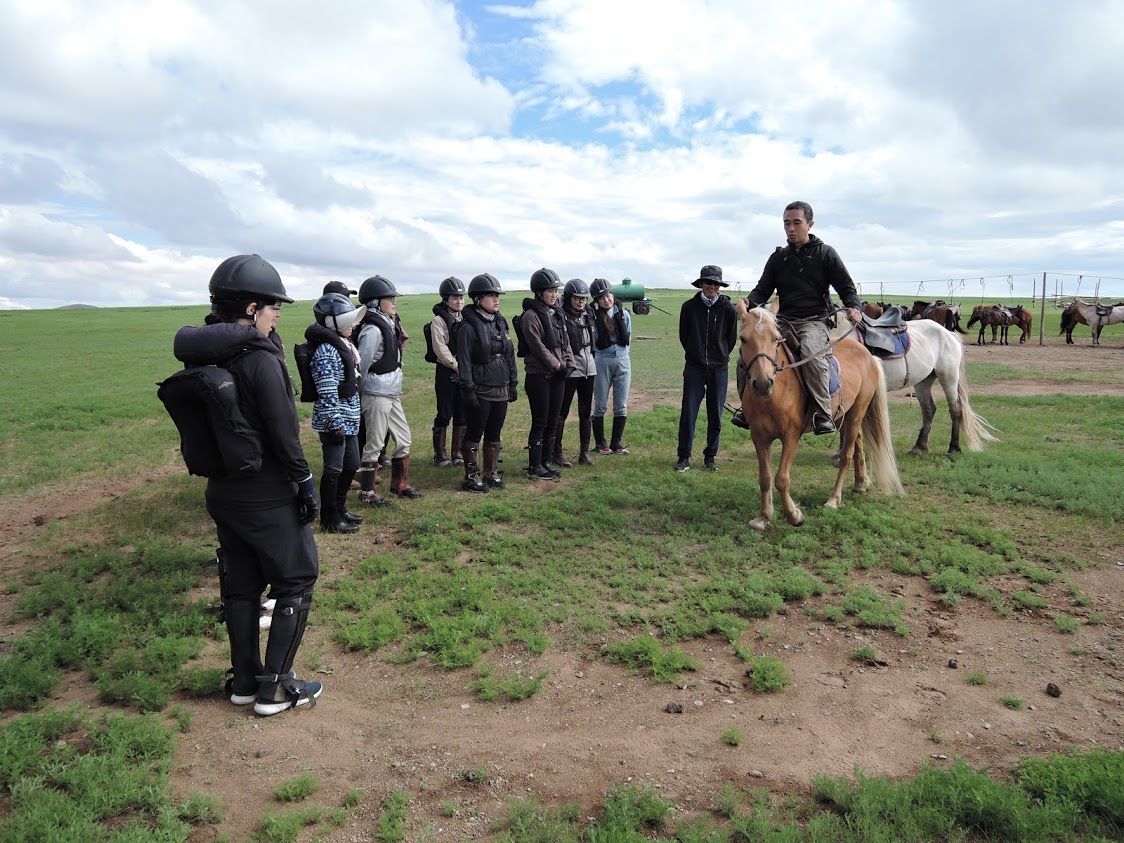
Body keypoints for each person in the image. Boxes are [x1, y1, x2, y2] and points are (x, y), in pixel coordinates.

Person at [173, 254, 322, 716]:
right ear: (253, 308)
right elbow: (284, 432)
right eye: (274, 306)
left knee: (240, 585)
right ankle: (275, 690)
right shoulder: (260, 360)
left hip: (223, 491)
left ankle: (243, 680)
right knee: (296, 579)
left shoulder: (202, 355)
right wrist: (304, 480)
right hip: (268, 490)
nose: (278, 314)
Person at [743, 200, 863, 435]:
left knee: (809, 351)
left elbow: (847, 287)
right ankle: (747, 410)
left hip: (814, 321)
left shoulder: (825, 254)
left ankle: (822, 412)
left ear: (810, 224)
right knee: (749, 354)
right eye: (786, 223)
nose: (791, 228)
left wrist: (854, 306)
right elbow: (762, 290)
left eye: (796, 223)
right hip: (783, 321)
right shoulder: (778, 258)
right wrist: (748, 303)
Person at [356, 275, 423, 500]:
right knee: (374, 442)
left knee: (404, 438)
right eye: (389, 298)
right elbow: (362, 363)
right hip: (375, 392)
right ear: (374, 302)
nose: (394, 302)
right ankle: (367, 492)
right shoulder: (372, 330)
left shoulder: (390, 323)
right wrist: (359, 391)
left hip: (391, 392)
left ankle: (399, 484)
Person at [305, 292, 367, 534]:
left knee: (351, 463)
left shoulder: (343, 346)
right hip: (336, 422)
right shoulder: (326, 352)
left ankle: (340, 509)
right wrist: (334, 423)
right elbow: (327, 390)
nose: (352, 325)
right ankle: (329, 518)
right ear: (333, 323)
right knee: (334, 467)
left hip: (349, 420)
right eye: (347, 320)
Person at [456, 273, 518, 492]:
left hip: (501, 388)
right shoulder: (467, 328)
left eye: (496, 295)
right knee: (474, 432)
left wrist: (513, 382)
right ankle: (471, 477)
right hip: (480, 390)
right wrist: (468, 389)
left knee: (494, 433)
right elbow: (463, 361)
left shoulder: (501, 324)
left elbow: (510, 355)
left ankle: (490, 473)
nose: (496, 300)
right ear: (477, 299)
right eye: (490, 296)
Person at [676, 265, 738, 472]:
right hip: (694, 367)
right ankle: (684, 457)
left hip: (719, 369)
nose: (712, 286)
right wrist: (695, 354)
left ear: (720, 286)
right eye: (709, 282)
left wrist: (719, 356)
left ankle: (710, 456)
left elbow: (730, 339)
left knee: (716, 414)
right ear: (701, 283)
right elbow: (684, 336)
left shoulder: (728, 309)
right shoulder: (689, 307)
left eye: (716, 283)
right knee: (688, 413)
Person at [520, 268, 575, 479]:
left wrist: (569, 364)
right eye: (549, 291)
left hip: (558, 376)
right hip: (539, 376)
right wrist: (558, 366)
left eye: (555, 290)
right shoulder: (530, 316)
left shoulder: (557, 314)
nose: (554, 294)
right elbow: (538, 347)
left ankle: (546, 461)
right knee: (540, 420)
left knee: (553, 420)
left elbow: (565, 343)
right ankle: (535, 465)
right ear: (538, 293)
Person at [588, 277, 633, 456]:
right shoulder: (592, 316)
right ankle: (601, 443)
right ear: (596, 300)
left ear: (612, 295)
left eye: (608, 296)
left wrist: (621, 353)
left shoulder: (624, 314)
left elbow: (628, 334)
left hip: (622, 358)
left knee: (621, 404)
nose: (606, 300)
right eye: (601, 298)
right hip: (602, 360)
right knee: (600, 404)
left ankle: (616, 443)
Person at [555, 278, 597, 466]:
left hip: (590, 368)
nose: (581, 301)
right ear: (569, 298)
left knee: (586, 412)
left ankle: (584, 452)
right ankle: (557, 452)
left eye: (583, 298)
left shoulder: (589, 315)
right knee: (562, 411)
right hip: (572, 369)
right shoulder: (562, 316)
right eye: (577, 298)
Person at [429, 276, 466, 468]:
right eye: (454, 298)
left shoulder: (466, 318)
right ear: (446, 300)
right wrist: (457, 365)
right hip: (446, 371)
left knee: (462, 412)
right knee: (444, 412)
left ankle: (457, 451)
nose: (459, 302)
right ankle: (440, 453)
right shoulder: (438, 321)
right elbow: (440, 349)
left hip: (464, 371)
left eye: (461, 298)